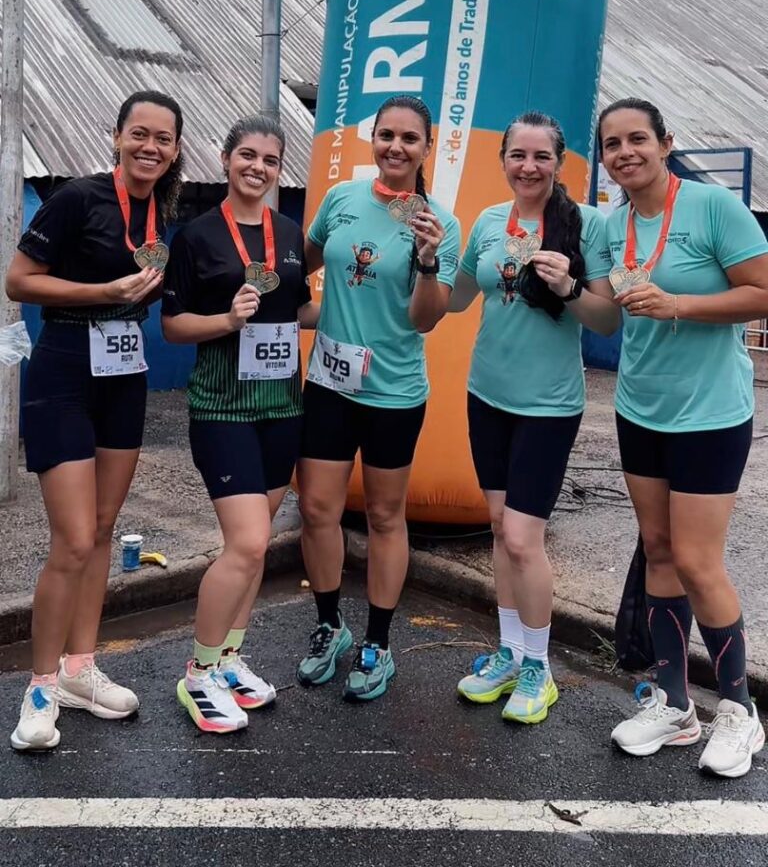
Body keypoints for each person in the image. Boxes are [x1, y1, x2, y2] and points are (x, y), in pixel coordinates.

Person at [5, 90, 184, 752]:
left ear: (175, 151)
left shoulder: (160, 212)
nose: (150, 147)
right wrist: (102, 292)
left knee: (104, 527)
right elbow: (19, 280)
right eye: (140, 133)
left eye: (163, 139)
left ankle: (80, 669)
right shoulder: (78, 197)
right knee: (74, 539)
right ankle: (40, 687)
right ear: (117, 137)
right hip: (64, 372)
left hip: (124, 376)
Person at [600, 98, 768, 778]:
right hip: (640, 408)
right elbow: (604, 310)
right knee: (660, 550)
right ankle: (673, 704)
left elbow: (763, 291)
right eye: (612, 144)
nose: (625, 152)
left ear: (665, 143)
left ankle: (740, 712)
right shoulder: (611, 225)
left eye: (637, 138)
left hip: (710, 413)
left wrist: (681, 305)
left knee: (699, 562)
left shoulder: (713, 207)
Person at [449, 111, 618, 724]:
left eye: (541, 156)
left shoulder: (587, 225)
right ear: (502, 161)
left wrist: (570, 288)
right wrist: (422, 260)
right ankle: (509, 652)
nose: (528, 166)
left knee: (524, 538)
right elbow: (456, 298)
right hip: (486, 394)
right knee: (500, 528)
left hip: (548, 405)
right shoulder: (490, 222)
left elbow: (608, 321)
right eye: (517, 155)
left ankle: (538, 669)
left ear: (559, 163)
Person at [296, 94, 460, 701]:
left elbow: (425, 319)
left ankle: (378, 643)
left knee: (386, 516)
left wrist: (428, 261)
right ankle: (329, 626)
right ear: (374, 139)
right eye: (387, 135)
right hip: (329, 383)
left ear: (426, 148)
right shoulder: (341, 199)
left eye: (409, 138)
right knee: (318, 509)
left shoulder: (440, 224)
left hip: (393, 391)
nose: (396, 146)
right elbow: (300, 263)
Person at [162, 115, 317, 734]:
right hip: (222, 408)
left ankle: (228, 657)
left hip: (283, 407)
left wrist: (364, 301)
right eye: (248, 155)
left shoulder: (289, 233)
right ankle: (198, 673)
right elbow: (173, 326)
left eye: (270, 160)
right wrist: (227, 321)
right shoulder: (197, 236)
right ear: (226, 160)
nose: (258, 167)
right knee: (248, 544)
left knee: (255, 549)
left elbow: (299, 309)